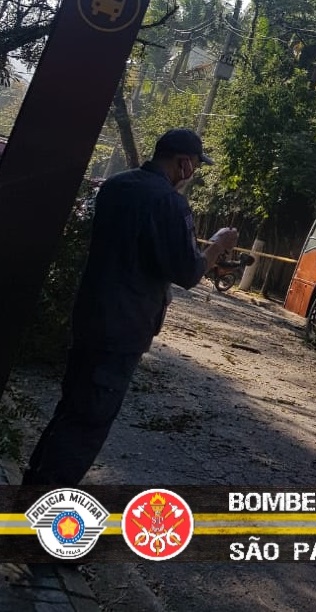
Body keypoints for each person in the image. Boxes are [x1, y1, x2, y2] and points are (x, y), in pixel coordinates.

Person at [21, 128, 239, 486]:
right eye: (195, 165)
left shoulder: (116, 186)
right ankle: (40, 518)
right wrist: (216, 244)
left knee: (71, 411)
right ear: (183, 163)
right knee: (87, 426)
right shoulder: (170, 203)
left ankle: (30, 491)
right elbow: (188, 271)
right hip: (122, 330)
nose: (194, 173)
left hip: (89, 316)